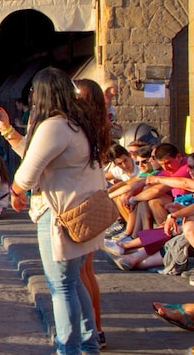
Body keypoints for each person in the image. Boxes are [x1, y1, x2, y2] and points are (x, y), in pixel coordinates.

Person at [0, 67, 108, 354]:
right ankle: (88, 342)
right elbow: (39, 157)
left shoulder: (54, 126)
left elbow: (27, 173)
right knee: (71, 280)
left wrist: (17, 193)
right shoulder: (76, 123)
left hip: (59, 215)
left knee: (61, 286)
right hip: (78, 212)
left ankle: (67, 348)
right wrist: (8, 132)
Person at [73, 77, 114, 348]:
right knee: (86, 270)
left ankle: (92, 331)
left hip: (83, 204)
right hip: (95, 199)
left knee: (80, 272)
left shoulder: (81, 129)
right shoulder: (99, 127)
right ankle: (96, 329)